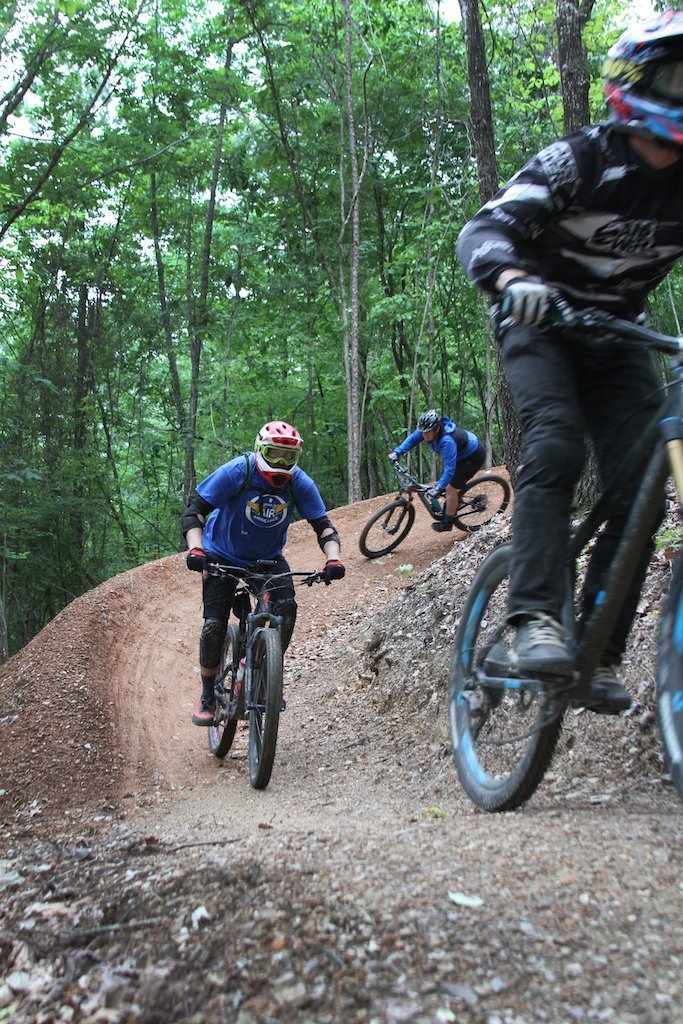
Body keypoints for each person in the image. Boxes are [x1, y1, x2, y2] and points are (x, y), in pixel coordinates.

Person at [456, 11, 683, 713]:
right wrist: (513, 280)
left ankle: (598, 652)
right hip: (539, 324)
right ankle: (530, 620)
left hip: (618, 337)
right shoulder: (579, 159)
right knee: (553, 445)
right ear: (636, 82)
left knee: (642, 487)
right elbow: (486, 227)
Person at [182, 420, 345, 726]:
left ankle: (268, 673)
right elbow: (195, 510)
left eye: (289, 457)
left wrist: (333, 560)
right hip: (221, 555)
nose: (282, 463)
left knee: (286, 607)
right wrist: (196, 549)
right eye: (274, 454)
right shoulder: (237, 472)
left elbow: (324, 526)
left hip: (267, 559)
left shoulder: (298, 482)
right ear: (259, 450)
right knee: (214, 627)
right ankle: (207, 695)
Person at [388, 408, 485, 532]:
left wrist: (439, 488)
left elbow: (450, 469)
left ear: (436, 429)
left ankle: (447, 522)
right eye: (422, 432)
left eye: (427, 433)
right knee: (443, 484)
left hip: (473, 456)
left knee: (450, 488)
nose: (424, 435)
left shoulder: (447, 441)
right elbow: (412, 440)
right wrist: (397, 452)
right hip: (459, 454)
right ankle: (456, 502)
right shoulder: (426, 430)